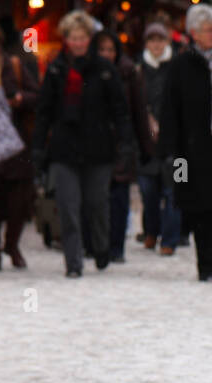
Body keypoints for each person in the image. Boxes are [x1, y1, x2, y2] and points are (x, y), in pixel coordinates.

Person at [31, 10, 132, 278]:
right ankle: (73, 262)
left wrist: (126, 143)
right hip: (64, 149)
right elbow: (44, 113)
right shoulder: (55, 69)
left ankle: (100, 248)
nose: (77, 43)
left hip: (98, 148)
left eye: (82, 38)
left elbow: (120, 110)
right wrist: (38, 148)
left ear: (89, 39)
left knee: (98, 204)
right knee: (68, 207)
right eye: (73, 38)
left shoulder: (104, 69)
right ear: (66, 39)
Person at [159, 4, 212, 282]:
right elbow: (170, 110)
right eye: (208, 30)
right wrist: (171, 153)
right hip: (193, 148)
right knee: (200, 207)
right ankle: (205, 264)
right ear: (193, 33)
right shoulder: (182, 64)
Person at [0, 18, 40, 270]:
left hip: (15, 148)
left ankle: (11, 245)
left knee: (18, 204)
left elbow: (37, 96)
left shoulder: (14, 66)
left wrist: (19, 99)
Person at [89, 29, 151, 264]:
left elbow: (139, 111)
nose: (106, 54)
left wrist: (145, 147)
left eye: (110, 50)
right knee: (95, 196)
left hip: (122, 141)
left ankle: (115, 246)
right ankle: (96, 244)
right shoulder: (89, 72)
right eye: (102, 49)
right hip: (94, 141)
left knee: (118, 196)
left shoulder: (128, 73)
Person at [137, 22, 182, 255]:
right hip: (147, 144)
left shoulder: (178, 67)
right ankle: (151, 231)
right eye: (152, 40)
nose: (156, 45)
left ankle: (171, 238)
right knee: (149, 192)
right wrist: (148, 120)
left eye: (160, 39)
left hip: (176, 144)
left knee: (176, 191)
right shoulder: (138, 70)